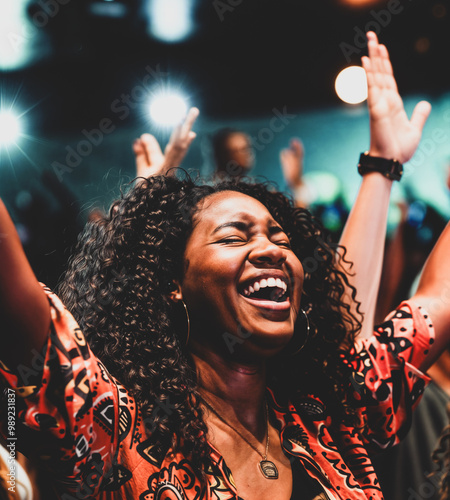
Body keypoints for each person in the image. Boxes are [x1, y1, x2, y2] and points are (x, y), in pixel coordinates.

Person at [0, 33, 444, 500]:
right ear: (171, 282)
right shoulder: (118, 434)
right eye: (234, 236)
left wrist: (383, 164)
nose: (272, 249)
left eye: (280, 237)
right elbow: (22, 313)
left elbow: (430, 297)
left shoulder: (331, 416)